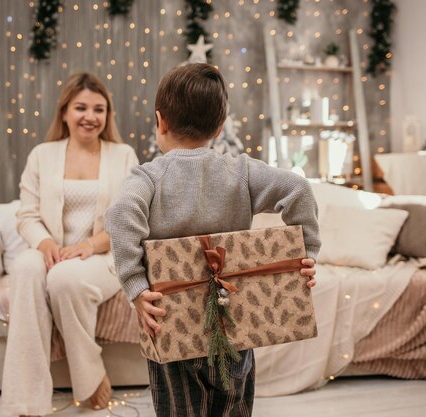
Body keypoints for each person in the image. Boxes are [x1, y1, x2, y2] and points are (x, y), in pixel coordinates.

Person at [105, 63, 321, 416]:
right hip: (234, 316)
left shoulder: (149, 177)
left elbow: (119, 214)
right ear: (220, 127)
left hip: (172, 320)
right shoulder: (241, 171)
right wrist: (305, 254)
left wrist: (136, 286)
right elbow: (299, 188)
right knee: (233, 403)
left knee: (179, 408)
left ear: (160, 122)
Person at [1, 72, 139, 417]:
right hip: (51, 250)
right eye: (81, 108)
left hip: (103, 256)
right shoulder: (42, 155)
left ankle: (89, 375)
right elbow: (27, 215)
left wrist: (91, 245)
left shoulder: (123, 155)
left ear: (107, 116)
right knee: (25, 268)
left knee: (64, 279)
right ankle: (25, 402)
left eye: (99, 109)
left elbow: (130, 221)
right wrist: (45, 244)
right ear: (64, 112)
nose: (90, 117)